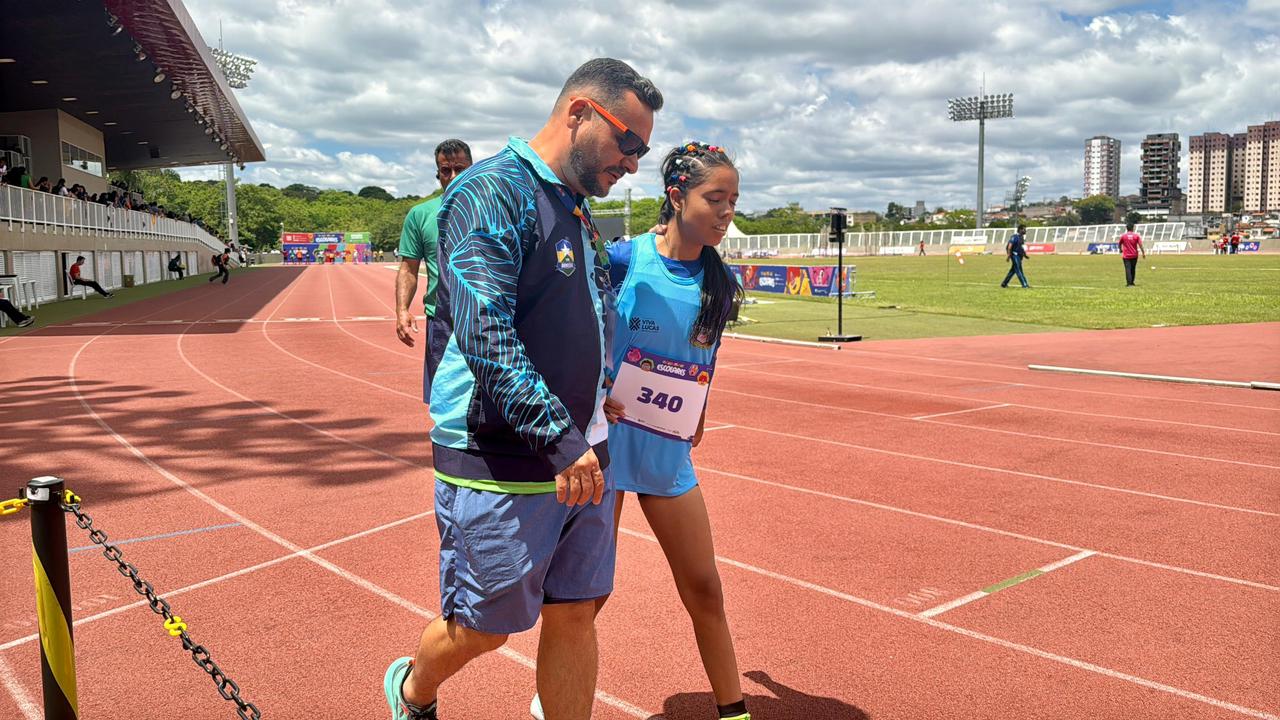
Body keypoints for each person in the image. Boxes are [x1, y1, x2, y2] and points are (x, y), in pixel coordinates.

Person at [383, 57, 663, 720]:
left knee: (576, 613)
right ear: (579, 113)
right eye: (628, 142)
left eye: (642, 152)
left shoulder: (577, 208)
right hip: (502, 456)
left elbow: (584, 315)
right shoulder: (489, 190)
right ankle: (413, 689)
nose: (632, 164)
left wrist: (598, 391)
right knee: (486, 627)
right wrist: (559, 439)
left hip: (587, 452)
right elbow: (486, 332)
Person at [540, 141, 751, 720]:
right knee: (587, 596)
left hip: (666, 451)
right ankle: (554, 694)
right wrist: (592, 390)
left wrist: (699, 408)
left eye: (734, 201)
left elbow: (706, 355)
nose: (727, 212)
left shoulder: (720, 282)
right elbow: (573, 326)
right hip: (605, 450)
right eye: (716, 198)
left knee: (704, 587)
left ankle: (734, 711)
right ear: (677, 196)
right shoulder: (623, 260)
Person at [395, 139, 474, 403]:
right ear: (438, 174)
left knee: (494, 401)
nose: (453, 176)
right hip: (442, 321)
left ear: (473, 169)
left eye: (460, 169)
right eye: (446, 170)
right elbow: (408, 268)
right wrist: (402, 310)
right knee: (445, 401)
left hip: (486, 318)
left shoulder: (494, 209)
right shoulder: (420, 214)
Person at [1000, 223, 1030, 288]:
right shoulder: (1014, 237)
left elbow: (1021, 247)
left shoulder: (1021, 237)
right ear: (1020, 230)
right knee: (1019, 270)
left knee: (1013, 270)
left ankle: (1004, 284)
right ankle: (1024, 284)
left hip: (1019, 256)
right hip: (1014, 255)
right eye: (1024, 229)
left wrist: (1024, 255)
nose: (1025, 231)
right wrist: (1008, 256)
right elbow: (1009, 247)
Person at [1118, 222, 1145, 286]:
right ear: (1133, 228)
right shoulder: (1136, 236)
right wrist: (1143, 253)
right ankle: (1132, 282)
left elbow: (1119, 243)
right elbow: (1140, 245)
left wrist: (1120, 249)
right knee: (1133, 269)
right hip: (1134, 255)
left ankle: (1129, 283)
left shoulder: (1123, 236)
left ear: (1126, 228)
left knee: (1128, 269)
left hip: (1126, 256)